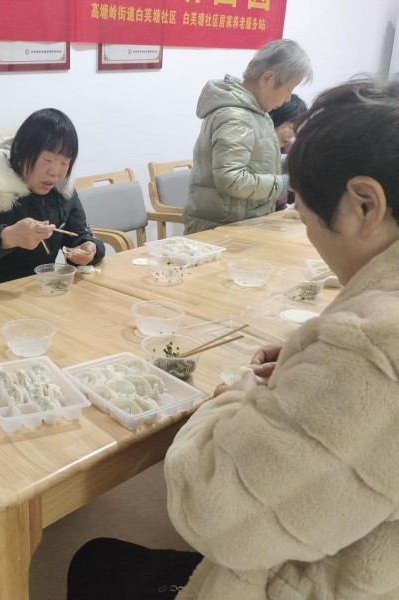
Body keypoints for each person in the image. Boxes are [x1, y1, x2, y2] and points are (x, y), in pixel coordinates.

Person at [68, 77, 399, 599]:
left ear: (365, 206)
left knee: (94, 564)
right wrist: (308, 360)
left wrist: (233, 402)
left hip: (324, 581)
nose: (308, 232)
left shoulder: (370, 347)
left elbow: (213, 515)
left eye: (305, 213)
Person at [0, 107, 105, 289]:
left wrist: (88, 248)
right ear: (22, 152)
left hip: (35, 291)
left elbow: (79, 233)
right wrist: (7, 237)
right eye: (48, 160)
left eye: (65, 163)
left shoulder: (62, 191)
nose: (55, 172)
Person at [183, 39, 312, 234]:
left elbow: (260, 161)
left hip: (240, 223)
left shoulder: (255, 112)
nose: (288, 98)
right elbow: (232, 179)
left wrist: (296, 162)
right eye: (289, 89)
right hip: (219, 229)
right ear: (267, 79)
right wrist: (286, 184)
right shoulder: (235, 116)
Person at [270, 93, 307, 209]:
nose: (291, 134)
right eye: (290, 127)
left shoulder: (291, 149)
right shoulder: (256, 148)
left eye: (296, 129)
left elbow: (293, 196)